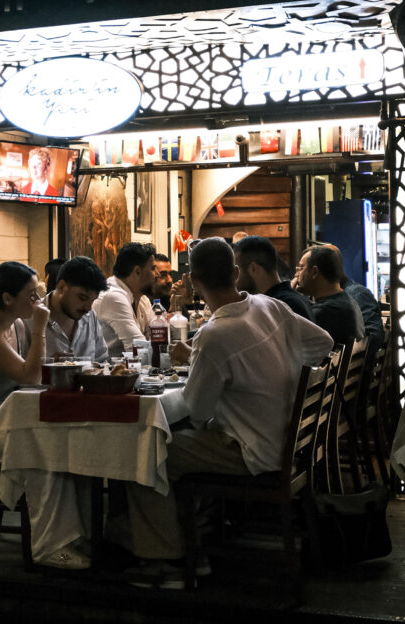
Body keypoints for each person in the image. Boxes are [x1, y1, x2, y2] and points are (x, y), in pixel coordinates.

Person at [123, 238, 334, 588]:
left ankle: (170, 562)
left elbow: (197, 410)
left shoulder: (214, 335)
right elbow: (323, 343)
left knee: (145, 448)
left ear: (192, 280)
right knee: (168, 440)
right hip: (288, 438)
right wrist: (280, 371)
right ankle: (193, 535)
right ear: (236, 273)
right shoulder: (270, 306)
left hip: (253, 449)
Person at [0, 262, 93, 569]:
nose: (38, 301)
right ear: (8, 299)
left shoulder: (10, 326)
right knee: (40, 449)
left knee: (64, 441)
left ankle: (76, 535)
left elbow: (33, 373)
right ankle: (48, 548)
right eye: (31, 295)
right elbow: (29, 377)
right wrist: (41, 326)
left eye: (38, 294)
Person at [25, 256, 109, 361]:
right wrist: (48, 367)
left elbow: (102, 361)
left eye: (92, 301)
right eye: (82, 298)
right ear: (61, 287)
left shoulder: (90, 316)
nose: (88, 308)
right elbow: (18, 373)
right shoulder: (29, 318)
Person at [92, 242, 158, 358]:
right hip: (106, 373)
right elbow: (140, 351)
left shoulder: (142, 299)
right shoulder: (113, 297)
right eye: (153, 268)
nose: (157, 274)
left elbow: (157, 340)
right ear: (137, 271)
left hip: (131, 371)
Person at [296, 245, 365, 351]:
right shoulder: (346, 301)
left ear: (314, 272)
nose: (296, 275)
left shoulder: (326, 312)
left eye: (300, 268)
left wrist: (289, 294)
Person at [326, 244, 386, 355]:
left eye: (301, 268)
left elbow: (373, 337)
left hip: (356, 370)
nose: (298, 274)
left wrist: (344, 356)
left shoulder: (356, 294)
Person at [234, 236, 312, 319]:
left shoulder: (282, 306)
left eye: (237, 270)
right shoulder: (288, 300)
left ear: (253, 269)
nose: (234, 278)